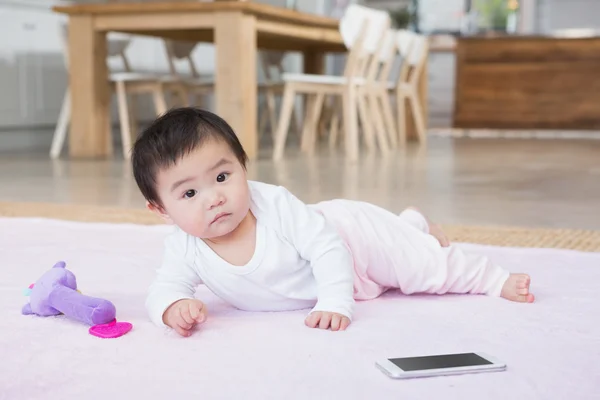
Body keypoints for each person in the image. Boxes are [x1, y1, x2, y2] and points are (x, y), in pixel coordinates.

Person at [132, 108, 534, 337]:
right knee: (403, 250)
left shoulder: (274, 205)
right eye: (189, 194)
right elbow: (163, 288)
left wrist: (335, 302)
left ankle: (490, 278)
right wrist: (172, 307)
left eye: (223, 177)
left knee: (421, 268)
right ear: (161, 210)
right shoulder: (183, 246)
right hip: (341, 266)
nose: (214, 197)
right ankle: (413, 224)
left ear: (242, 166)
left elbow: (327, 248)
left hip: (352, 237)